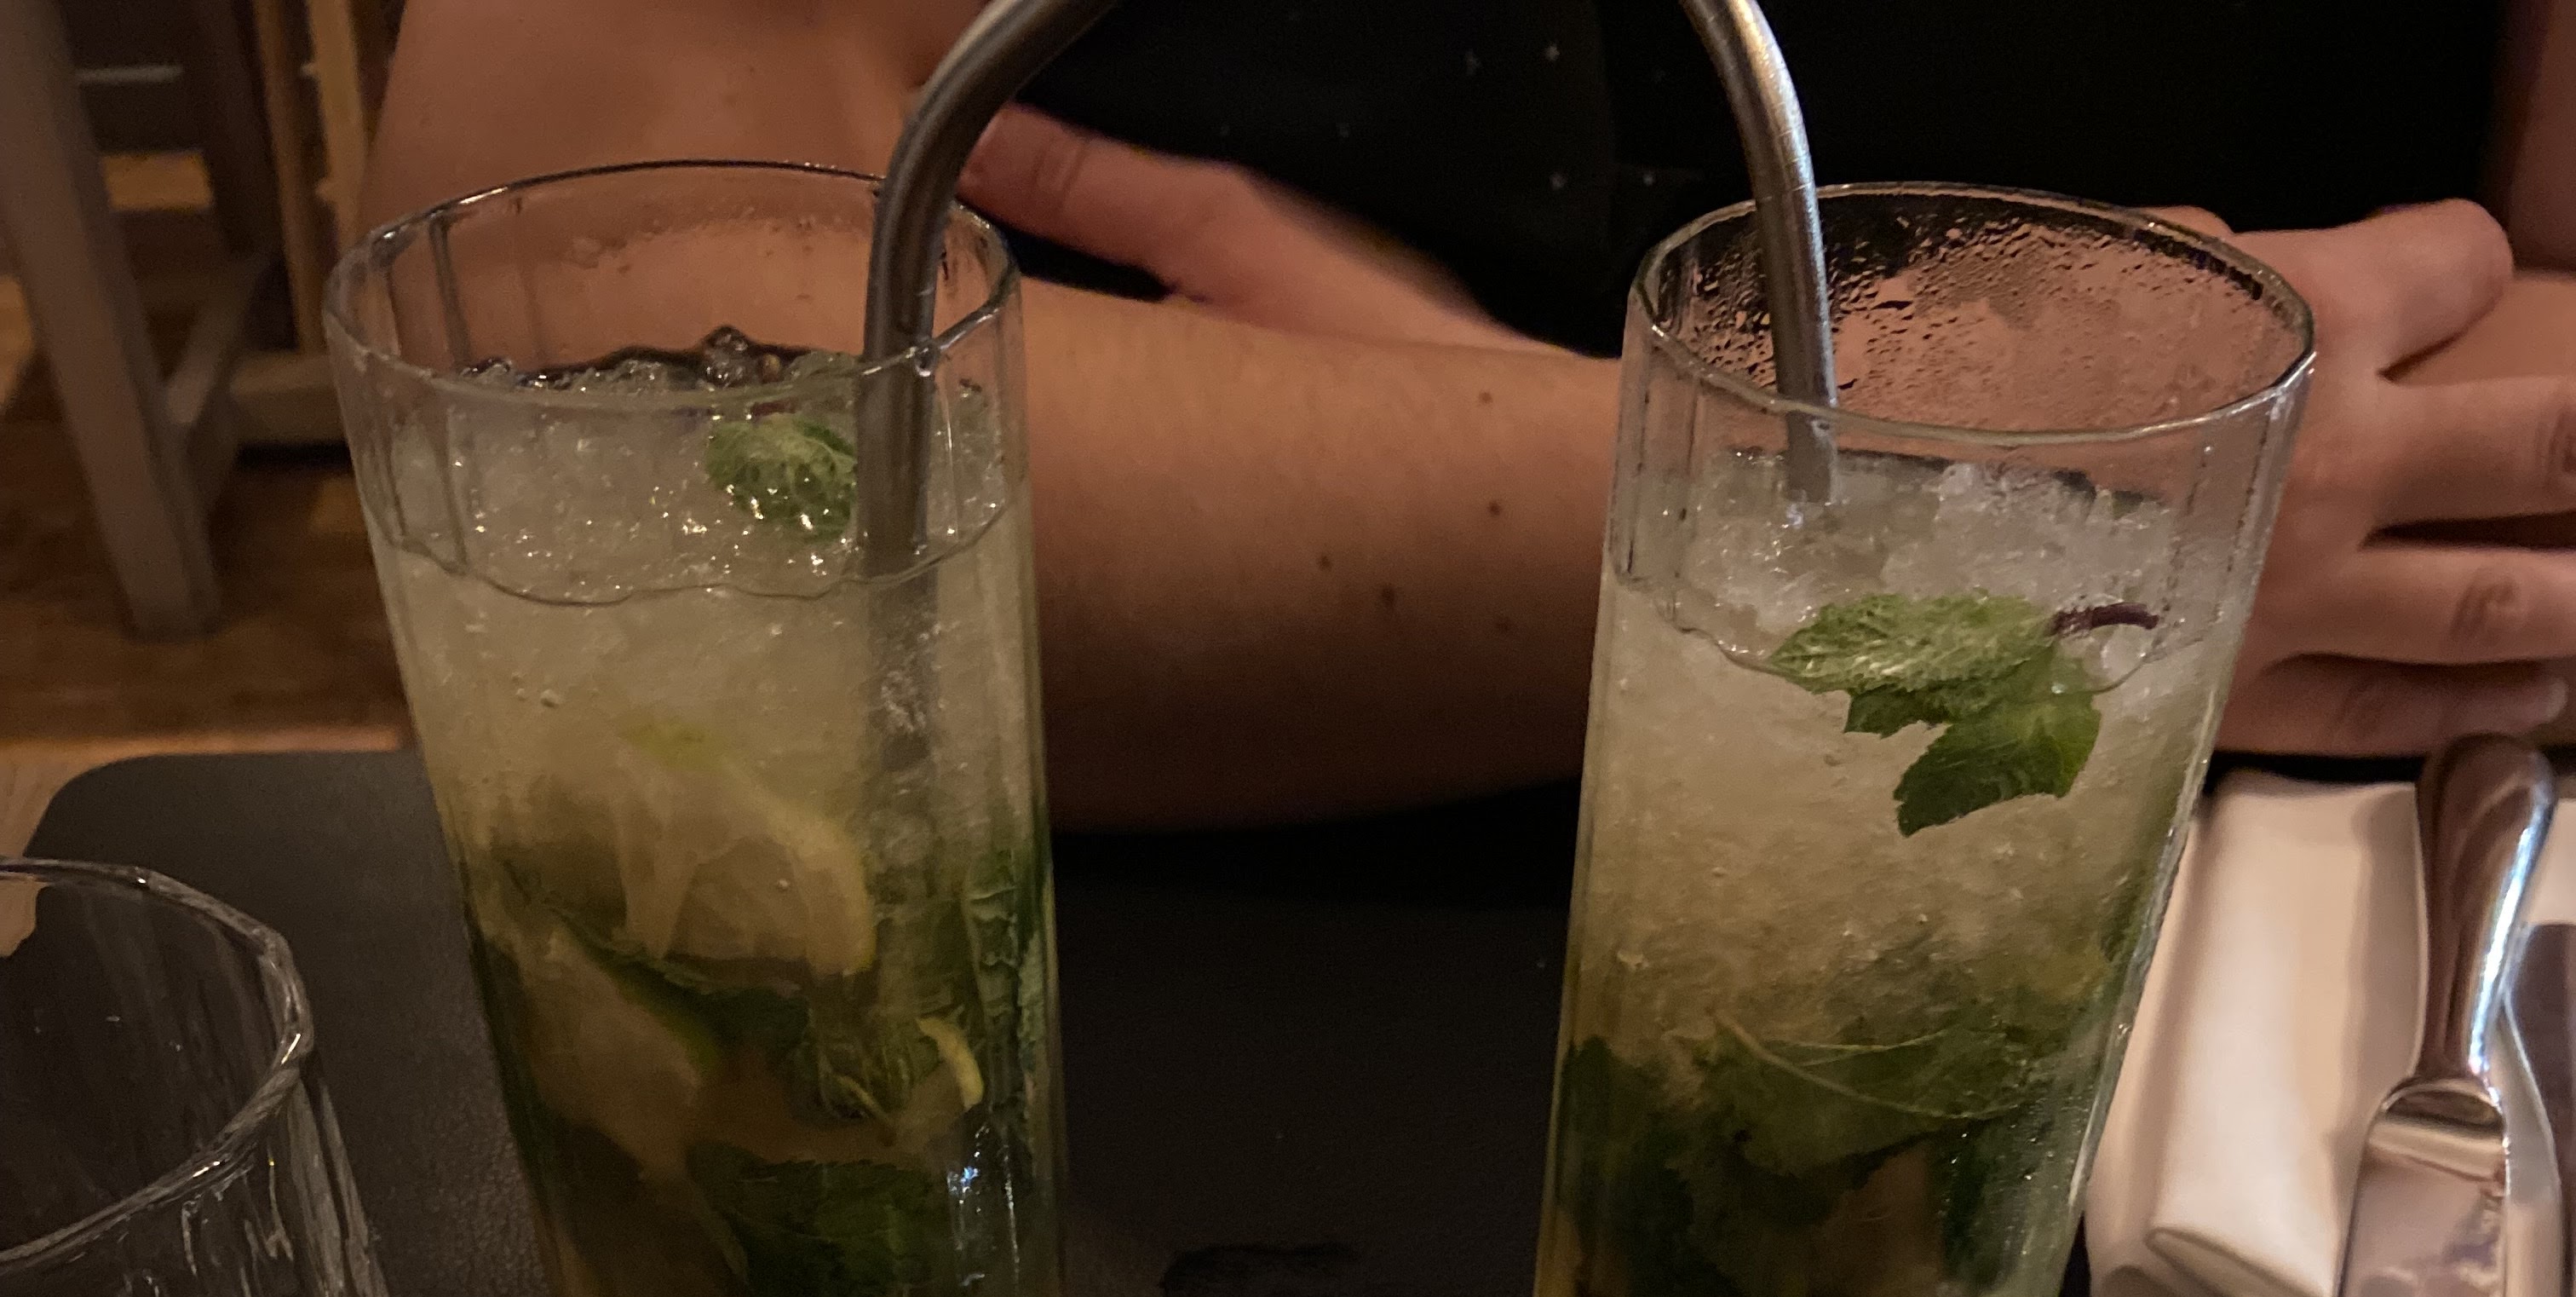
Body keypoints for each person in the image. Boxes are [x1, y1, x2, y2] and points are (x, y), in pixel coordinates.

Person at [366, 0, 2576, 826]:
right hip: (1104, 976)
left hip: (2140, 966)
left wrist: (1463, 442)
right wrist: (1955, 510)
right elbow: (570, 369)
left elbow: (2523, 346)